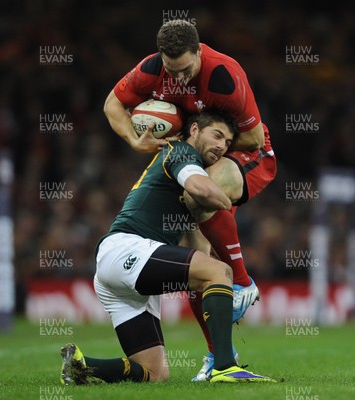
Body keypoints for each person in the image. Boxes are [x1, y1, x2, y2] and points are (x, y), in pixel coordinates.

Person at [103, 19, 277, 380]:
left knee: (198, 198)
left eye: (185, 70)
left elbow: (254, 138)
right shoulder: (152, 70)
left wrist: (201, 140)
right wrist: (134, 141)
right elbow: (112, 105)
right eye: (171, 70)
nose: (178, 78)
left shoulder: (224, 76)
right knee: (201, 264)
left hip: (243, 152)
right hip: (195, 152)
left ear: (199, 52)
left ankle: (243, 282)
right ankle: (218, 358)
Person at [60, 111, 275, 384]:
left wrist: (213, 276)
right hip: (127, 249)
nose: (222, 146)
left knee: (154, 374)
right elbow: (201, 188)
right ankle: (225, 367)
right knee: (221, 272)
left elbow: (199, 244)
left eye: (228, 141)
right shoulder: (182, 151)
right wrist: (232, 201)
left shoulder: (182, 164)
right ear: (194, 130)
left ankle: (81, 366)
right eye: (217, 135)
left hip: (116, 272)